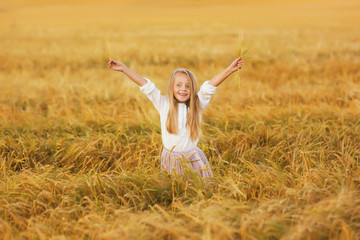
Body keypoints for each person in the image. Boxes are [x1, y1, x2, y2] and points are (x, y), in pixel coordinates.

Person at [108, 57, 243, 177]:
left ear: (193, 89)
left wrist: (230, 70)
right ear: (171, 87)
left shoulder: (197, 105)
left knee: (196, 193)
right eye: (178, 85)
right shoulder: (164, 104)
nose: (183, 89)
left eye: (188, 86)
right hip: (171, 159)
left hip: (193, 158)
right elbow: (146, 86)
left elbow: (209, 88)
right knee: (174, 193)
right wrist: (124, 69)